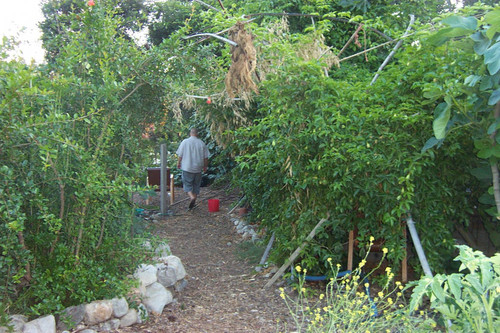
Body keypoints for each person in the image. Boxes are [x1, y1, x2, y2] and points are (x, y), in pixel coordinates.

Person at [176, 128, 209, 210]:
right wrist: (205, 167)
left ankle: (191, 197)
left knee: (187, 184)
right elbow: (206, 158)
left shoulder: (185, 142)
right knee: (196, 185)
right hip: (198, 168)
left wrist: (178, 163)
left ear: (190, 133)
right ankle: (194, 201)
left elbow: (180, 154)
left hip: (187, 167)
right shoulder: (202, 143)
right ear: (197, 134)